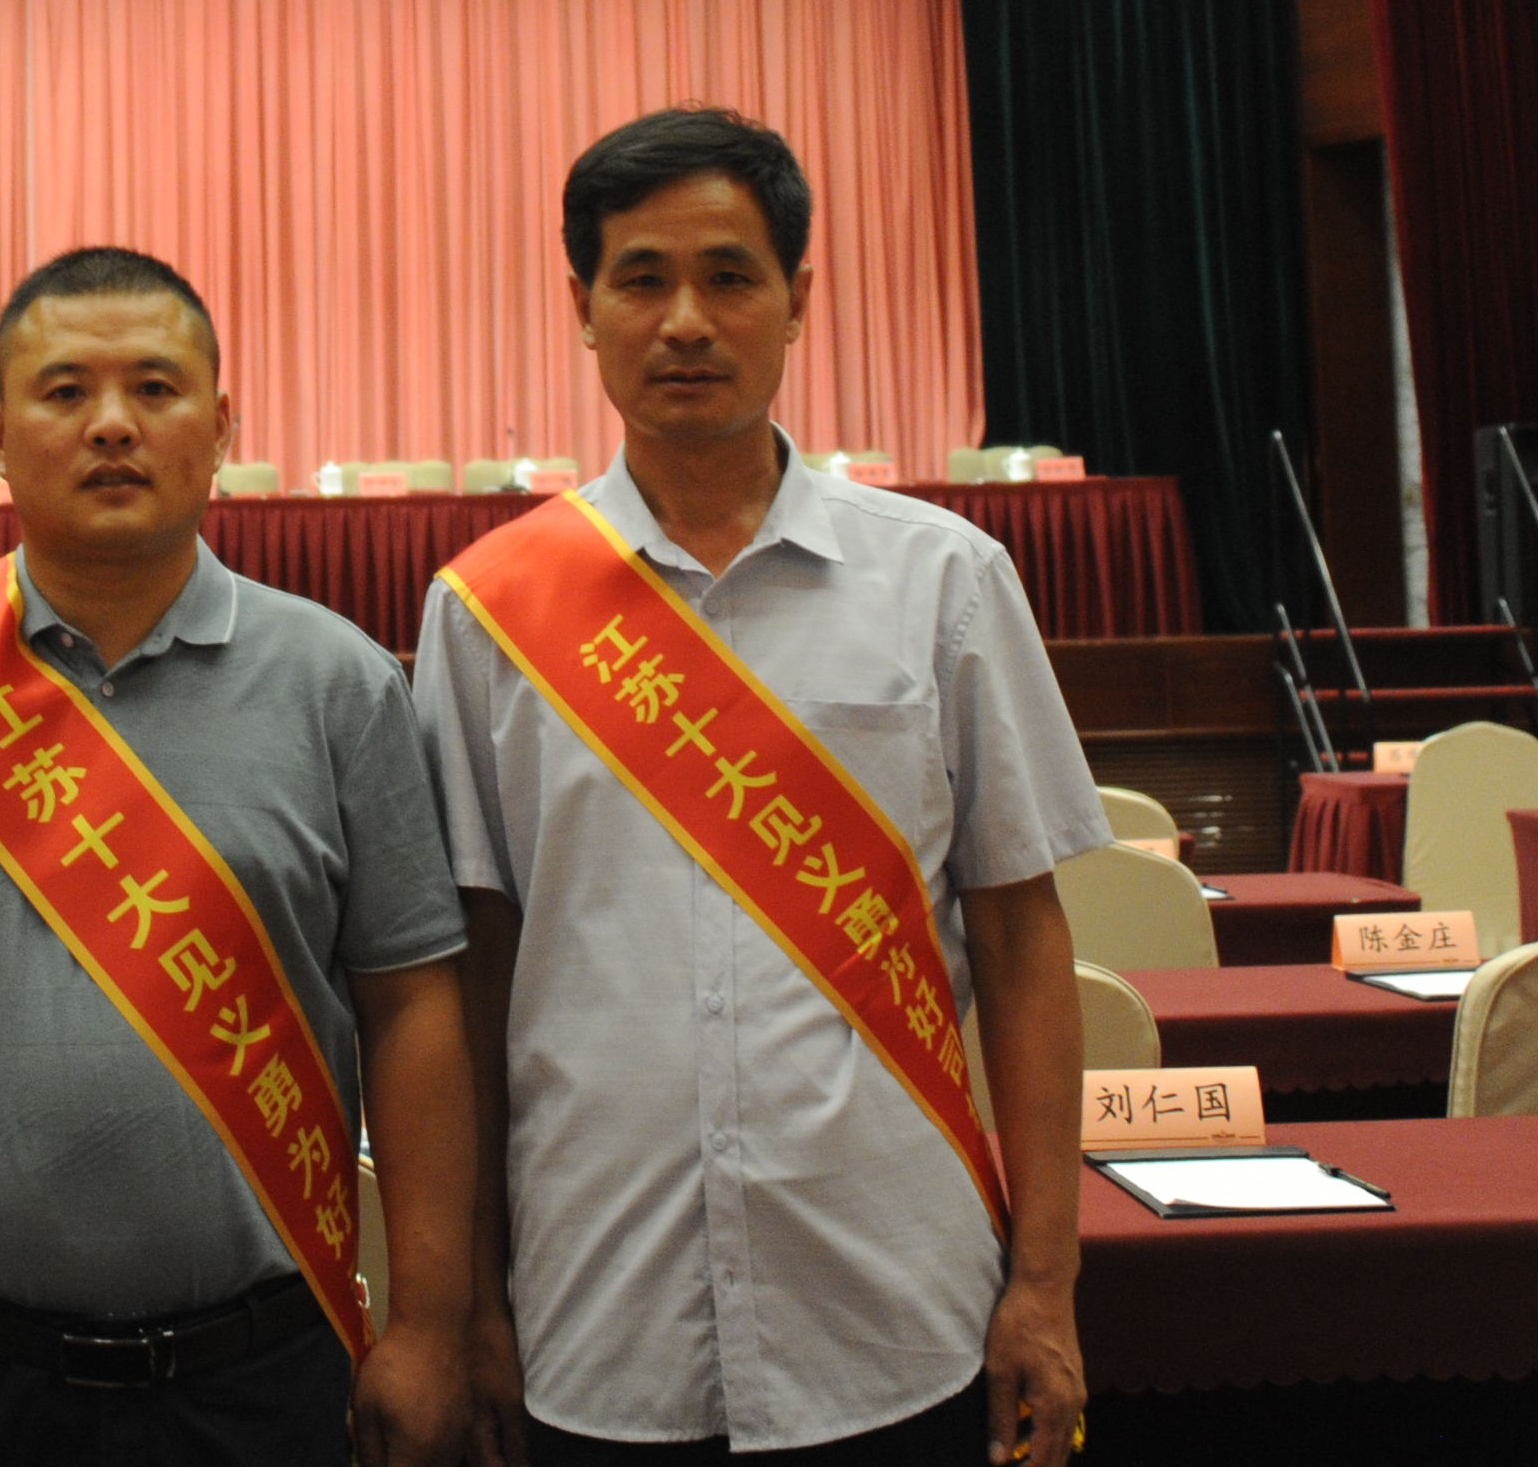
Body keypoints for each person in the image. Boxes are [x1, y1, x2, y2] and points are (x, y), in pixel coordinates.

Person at [416, 110, 1105, 1465]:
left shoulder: (945, 582)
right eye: (641, 279)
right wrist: (471, 1303)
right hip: (597, 1319)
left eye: (729, 277)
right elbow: (472, 982)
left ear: (798, 299)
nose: (685, 320)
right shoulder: (485, 614)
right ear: (581, 307)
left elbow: (1022, 944)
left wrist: (1044, 1281)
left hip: (894, 1311)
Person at [0, 246, 478, 1467]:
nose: (110, 425)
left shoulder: (338, 685)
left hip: (262, 1373)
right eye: (63, 392)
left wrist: (427, 1325)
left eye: (154, 387)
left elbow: (410, 1007)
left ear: (221, 425)